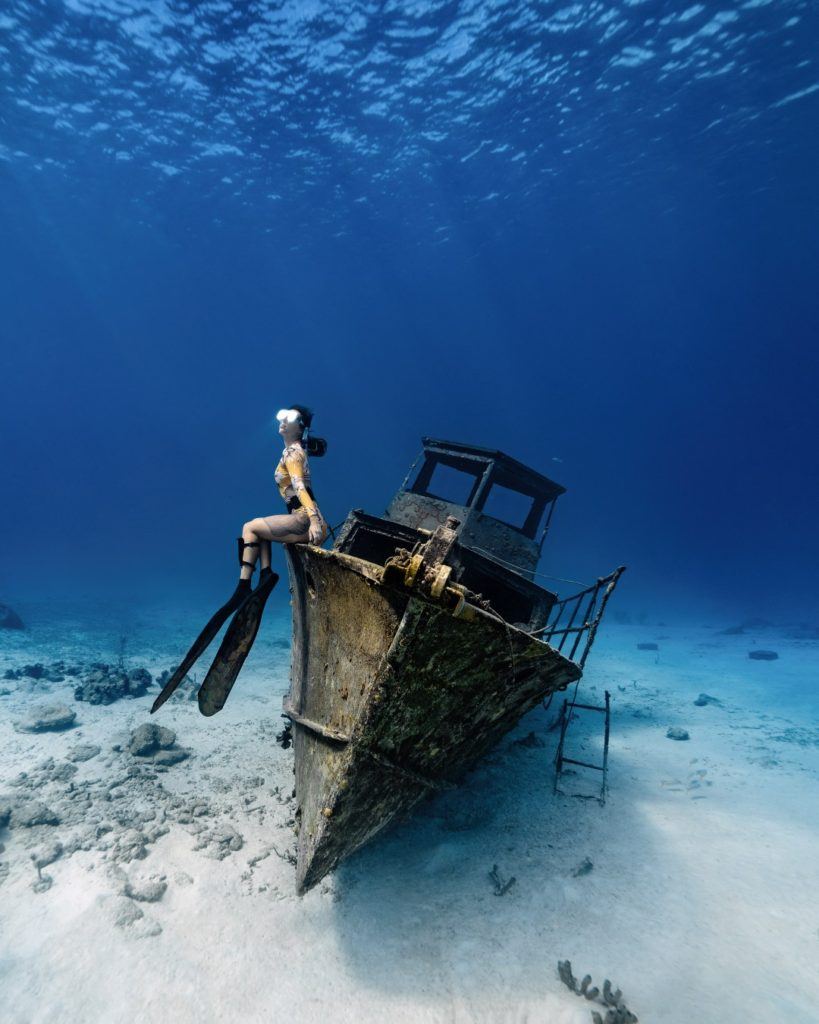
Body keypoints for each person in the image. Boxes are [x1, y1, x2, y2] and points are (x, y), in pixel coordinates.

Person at [151, 404, 328, 715]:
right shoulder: (296, 449)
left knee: (250, 527)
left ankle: (245, 584)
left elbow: (299, 486)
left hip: (302, 519)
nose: (280, 423)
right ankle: (265, 575)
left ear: (298, 425)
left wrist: (313, 521)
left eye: (286, 419)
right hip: (300, 517)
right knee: (258, 531)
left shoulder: (292, 453)